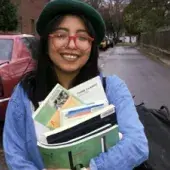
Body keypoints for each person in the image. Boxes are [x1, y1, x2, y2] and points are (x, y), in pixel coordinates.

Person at [3, 0, 149, 170]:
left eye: (82, 37)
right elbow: (15, 155)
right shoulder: (24, 94)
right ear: (46, 42)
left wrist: (93, 168)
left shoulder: (113, 89)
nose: (72, 45)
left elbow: (137, 145)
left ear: (91, 45)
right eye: (60, 35)